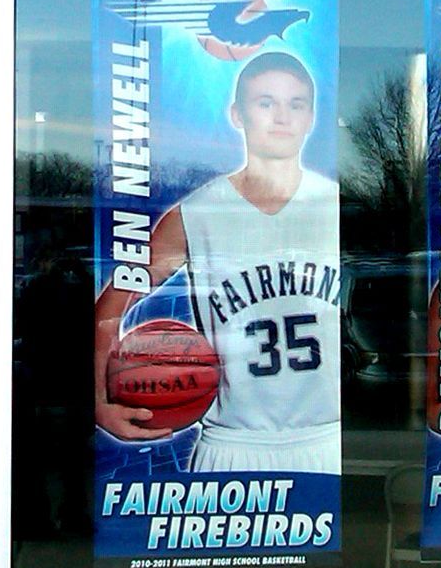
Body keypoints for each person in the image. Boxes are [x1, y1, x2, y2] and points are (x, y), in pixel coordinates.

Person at [93, 50, 340, 474]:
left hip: (328, 438)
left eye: (295, 104)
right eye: (265, 103)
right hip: (232, 443)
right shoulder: (196, 213)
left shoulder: (337, 205)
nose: (281, 117)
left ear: (311, 117)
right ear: (237, 114)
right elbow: (110, 309)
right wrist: (100, 401)